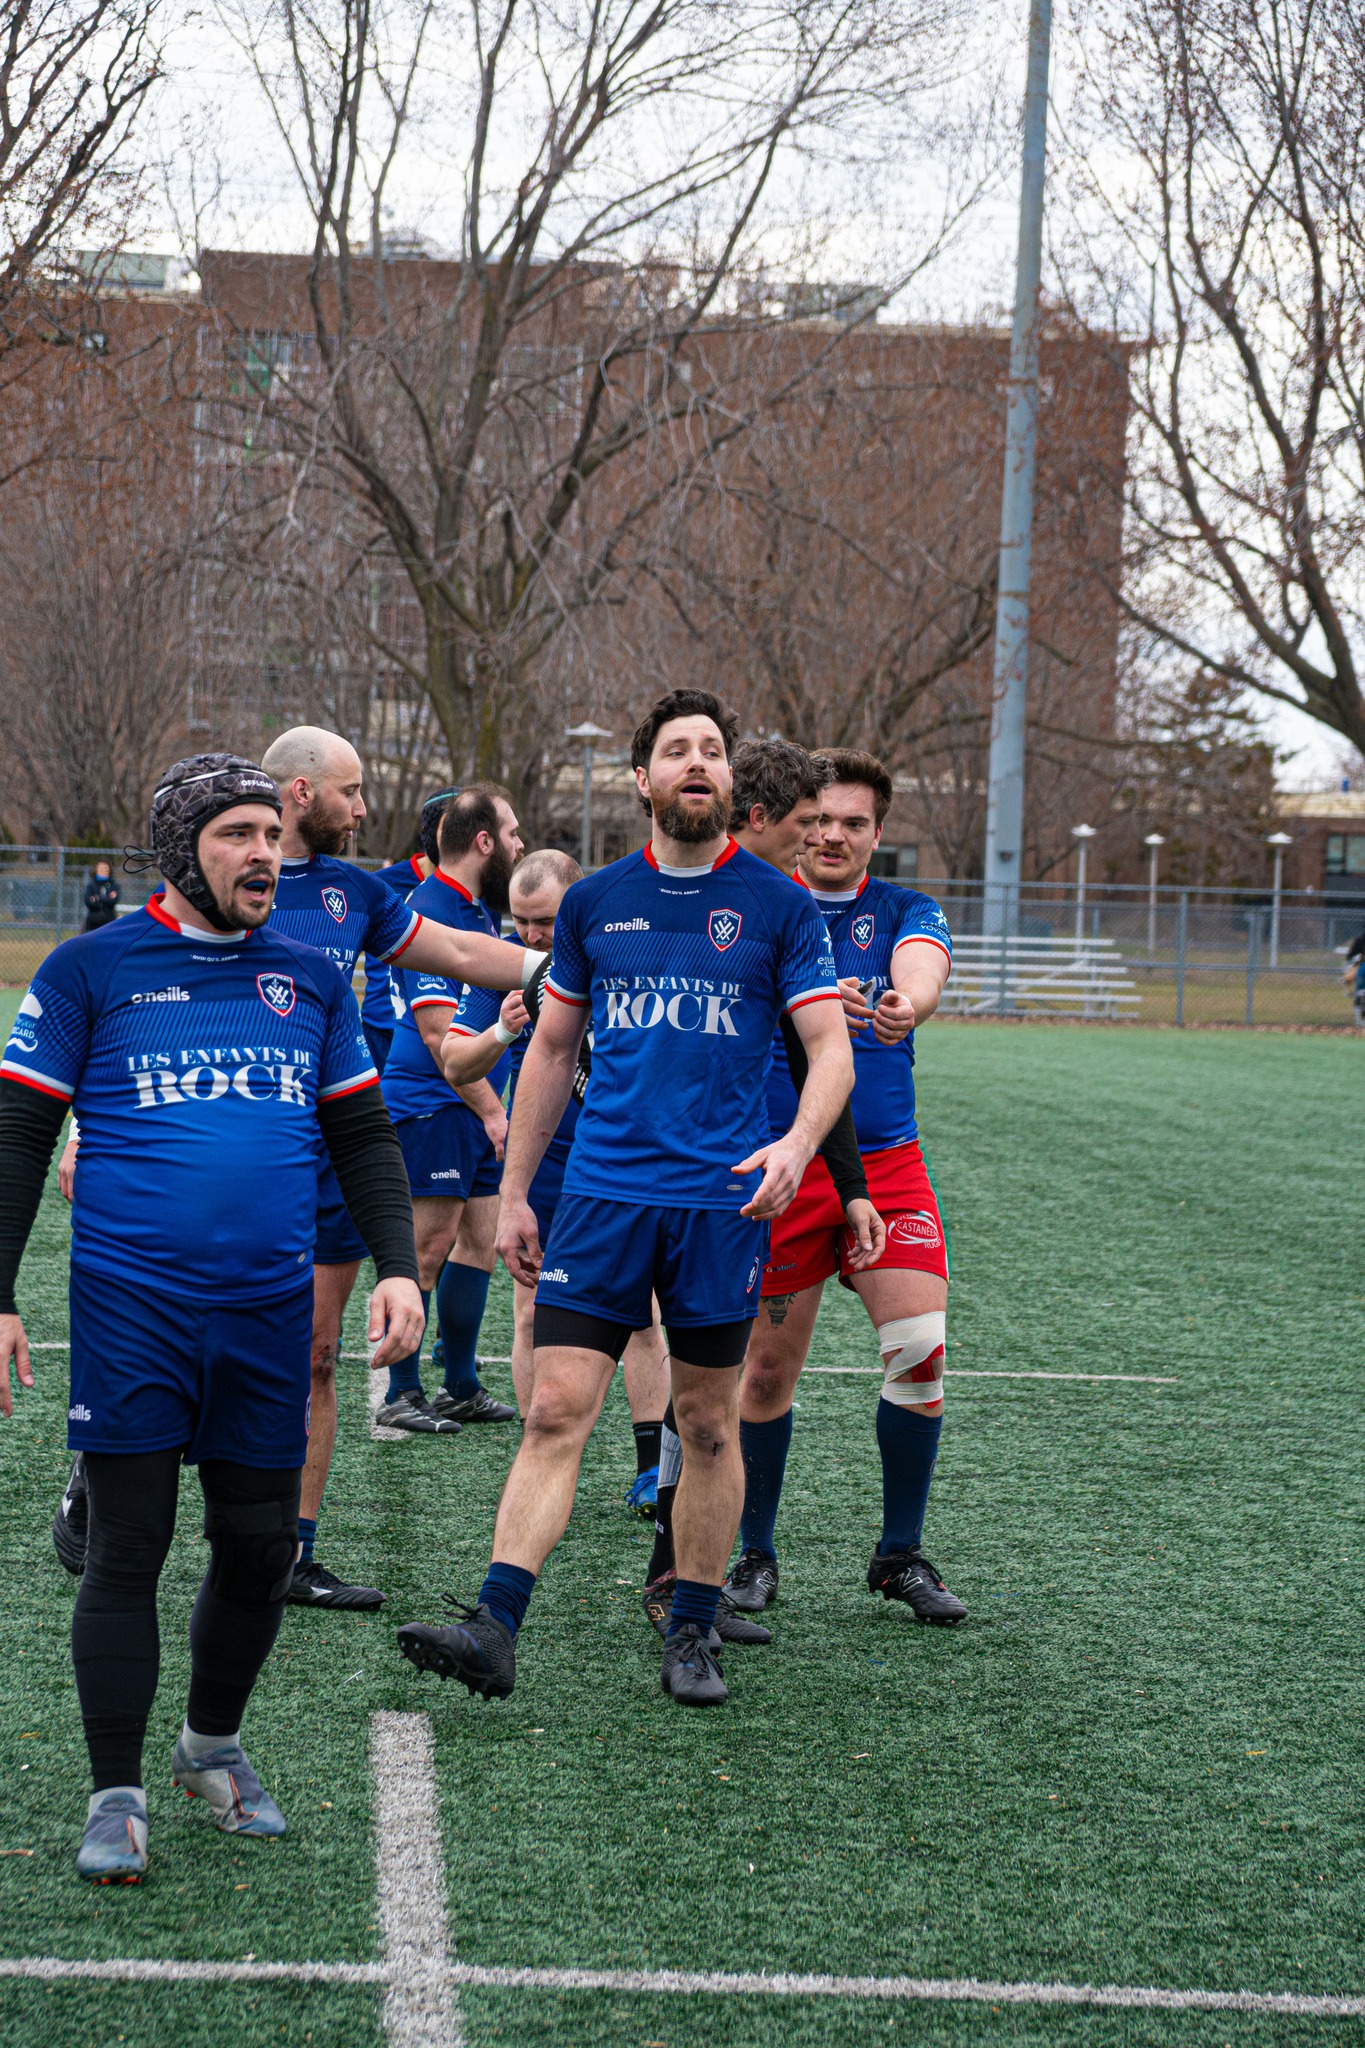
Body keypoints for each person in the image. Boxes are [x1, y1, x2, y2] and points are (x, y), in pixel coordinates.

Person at [0, 755, 424, 1883]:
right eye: (237, 834)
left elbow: (365, 1136)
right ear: (182, 848)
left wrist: (398, 1265)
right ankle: (115, 1792)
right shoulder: (93, 968)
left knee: (259, 1547)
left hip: (268, 1316)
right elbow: (19, 1135)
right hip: (133, 1312)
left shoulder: (308, 977)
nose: (264, 853)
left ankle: (208, 1743)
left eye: (271, 834)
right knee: (128, 1550)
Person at [395, 688, 853, 1710]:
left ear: (729, 783)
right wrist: (514, 1190)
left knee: (707, 1422)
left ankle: (692, 1625)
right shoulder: (597, 901)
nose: (698, 762)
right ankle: (494, 1625)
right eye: (677, 750)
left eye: (714, 751)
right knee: (555, 1406)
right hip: (599, 1199)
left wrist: (796, 1141)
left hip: (716, 1206)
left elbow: (830, 1049)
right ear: (641, 779)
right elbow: (553, 1048)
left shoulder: (778, 907)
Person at [50, 731, 541, 1608]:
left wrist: (561, 967)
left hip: (330, 1156)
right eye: (352, 793)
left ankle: (290, 1553)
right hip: (210, 1154)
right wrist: (94, 1124)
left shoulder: (357, 894)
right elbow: (134, 1007)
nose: (363, 810)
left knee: (313, 1358)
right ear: (304, 791)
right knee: (188, 1341)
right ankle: (109, 1464)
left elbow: (463, 956)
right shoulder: (207, 880)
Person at [639, 735, 886, 1636]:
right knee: (686, 1390)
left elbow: (820, 1060)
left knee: (724, 1386)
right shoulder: (684, 905)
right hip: (678, 1178)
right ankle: (672, 1569)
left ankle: (688, 1571)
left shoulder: (778, 914)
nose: (813, 843)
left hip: (771, 1170)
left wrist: (847, 1179)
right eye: (800, 826)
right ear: (754, 819)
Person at [722, 746, 966, 1625]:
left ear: (877, 833)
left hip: (888, 1166)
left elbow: (921, 965)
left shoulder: (903, 908)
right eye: (819, 818)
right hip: (783, 1161)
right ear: (793, 819)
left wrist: (908, 1005)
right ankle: (751, 1551)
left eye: (853, 823)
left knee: (919, 1351)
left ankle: (898, 1554)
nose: (832, 835)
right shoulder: (755, 905)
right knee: (760, 1376)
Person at [439, 846, 671, 1510]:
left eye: (545, 920)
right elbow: (455, 1064)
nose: (534, 936)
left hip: (618, 1157)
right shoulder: (508, 967)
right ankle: (538, 1450)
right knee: (531, 1309)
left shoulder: (621, 948)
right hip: (540, 1159)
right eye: (522, 921)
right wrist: (502, 1031)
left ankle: (651, 1467)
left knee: (641, 1312)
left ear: (579, 902)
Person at [375, 785, 530, 1429]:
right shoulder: (431, 910)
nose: (522, 845)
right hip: (429, 1105)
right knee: (426, 1248)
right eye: (514, 833)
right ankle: (399, 1392)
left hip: (472, 1105)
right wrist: (497, 1113)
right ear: (484, 842)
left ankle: (460, 1383)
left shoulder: (475, 909)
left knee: (478, 1241)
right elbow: (440, 1039)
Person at [359, 787, 458, 1073]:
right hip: (383, 1028)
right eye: (451, 829)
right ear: (431, 831)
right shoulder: (381, 885)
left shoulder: (478, 895)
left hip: (446, 1032)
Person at [82, 861, 120, 931]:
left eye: (105, 868)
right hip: (93, 920)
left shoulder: (113, 885)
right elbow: (88, 901)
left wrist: (97, 898)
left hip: (109, 919)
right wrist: (107, 897)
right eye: (100, 869)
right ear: (96, 870)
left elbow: (114, 900)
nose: (103, 871)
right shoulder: (91, 885)